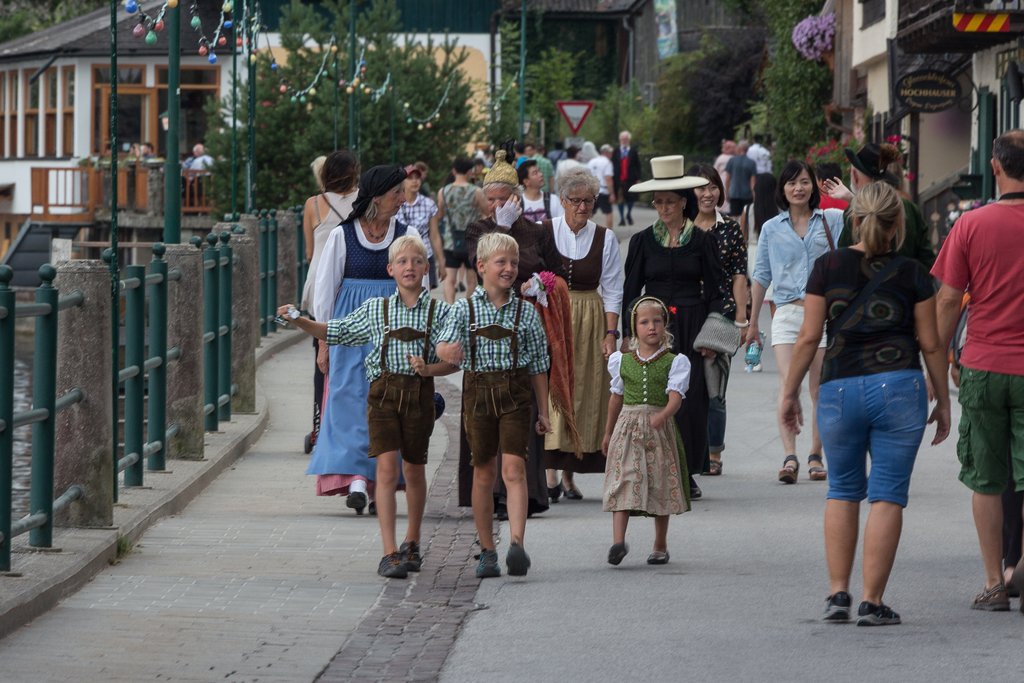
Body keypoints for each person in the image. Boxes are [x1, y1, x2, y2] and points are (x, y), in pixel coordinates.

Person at [781, 180, 950, 625]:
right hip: (899, 388)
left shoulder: (827, 266)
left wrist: (789, 393)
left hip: (839, 388)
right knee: (887, 495)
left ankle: (838, 594)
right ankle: (872, 602)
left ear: (854, 219)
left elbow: (808, 337)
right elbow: (931, 344)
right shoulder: (914, 273)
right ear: (897, 225)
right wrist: (944, 401)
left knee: (842, 490)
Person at [277, 235, 454, 579]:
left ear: (426, 269)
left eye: (417, 261)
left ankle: (412, 542)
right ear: (390, 269)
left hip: (419, 398)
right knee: (386, 472)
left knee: (414, 471)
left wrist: (433, 366)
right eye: (402, 262)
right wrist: (301, 321)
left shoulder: (440, 312)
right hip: (383, 399)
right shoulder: (377, 309)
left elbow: (453, 359)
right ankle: (389, 552)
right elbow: (336, 330)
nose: (409, 268)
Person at [932, 128, 1024, 612]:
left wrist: (936, 360)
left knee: (987, 478)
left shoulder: (971, 224)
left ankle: (995, 582)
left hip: (984, 364)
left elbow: (948, 299)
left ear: (995, 167)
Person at [436, 232, 552, 578]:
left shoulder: (527, 314)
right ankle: (487, 550)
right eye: (501, 262)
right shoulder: (464, 308)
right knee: (483, 471)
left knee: (514, 469)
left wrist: (544, 411)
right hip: (478, 394)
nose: (509, 268)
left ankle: (516, 543)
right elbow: (442, 343)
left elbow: (538, 366)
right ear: (481, 266)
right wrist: (446, 351)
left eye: (514, 263)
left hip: (516, 395)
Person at [464, 146, 567, 517]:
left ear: (516, 197)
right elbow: (480, 263)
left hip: (529, 326)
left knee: (520, 409)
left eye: (502, 199)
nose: (495, 205)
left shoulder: (537, 231)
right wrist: (502, 227)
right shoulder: (479, 229)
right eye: (490, 199)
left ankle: (526, 491)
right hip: (489, 327)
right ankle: (488, 493)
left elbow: (557, 273)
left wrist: (541, 282)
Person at [311, 165, 418, 514]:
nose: (403, 199)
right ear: (377, 197)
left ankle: (380, 486)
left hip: (394, 327)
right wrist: (324, 341)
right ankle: (358, 479)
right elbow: (326, 290)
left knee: (389, 403)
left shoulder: (406, 233)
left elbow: (420, 284)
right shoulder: (343, 236)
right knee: (349, 400)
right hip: (350, 329)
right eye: (396, 193)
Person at [622, 155, 726, 500]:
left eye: (670, 201)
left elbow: (716, 292)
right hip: (652, 326)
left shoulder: (701, 241)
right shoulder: (641, 242)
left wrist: (711, 336)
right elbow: (629, 291)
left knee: (689, 399)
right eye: (659, 201)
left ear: (685, 202)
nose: (664, 207)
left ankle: (686, 470)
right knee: (653, 397)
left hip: (692, 326)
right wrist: (628, 333)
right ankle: (654, 468)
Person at [747, 160, 844, 484]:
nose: (798, 188)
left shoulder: (832, 220)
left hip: (824, 314)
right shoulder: (772, 228)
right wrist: (750, 324)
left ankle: (816, 454)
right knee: (788, 386)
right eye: (792, 183)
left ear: (813, 186)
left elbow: (874, 217)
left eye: (804, 182)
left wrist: (849, 196)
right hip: (787, 313)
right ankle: (789, 455)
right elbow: (761, 275)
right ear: (783, 189)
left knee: (820, 390)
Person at [543, 166, 625, 501]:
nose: (582, 207)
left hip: (590, 317)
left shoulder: (605, 238)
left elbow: (614, 289)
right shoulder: (546, 231)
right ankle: (549, 473)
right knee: (553, 390)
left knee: (586, 390)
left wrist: (610, 333)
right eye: (575, 200)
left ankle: (569, 474)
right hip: (554, 317)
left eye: (588, 201)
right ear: (562, 201)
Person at [603, 296, 690, 566]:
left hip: (657, 430)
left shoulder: (675, 362)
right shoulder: (622, 361)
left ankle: (660, 545)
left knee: (659, 484)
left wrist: (663, 414)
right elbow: (616, 397)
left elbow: (675, 396)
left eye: (657, 321)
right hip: (627, 428)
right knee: (623, 481)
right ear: (634, 329)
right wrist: (607, 433)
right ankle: (618, 542)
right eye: (644, 322)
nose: (651, 327)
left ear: (665, 325)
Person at [689, 163, 748, 476]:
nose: (708, 193)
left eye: (713, 187)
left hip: (720, 314)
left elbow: (739, 274)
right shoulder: (682, 226)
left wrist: (740, 319)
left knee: (715, 390)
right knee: (683, 388)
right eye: (701, 187)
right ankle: (687, 450)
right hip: (684, 313)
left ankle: (714, 453)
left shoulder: (730, 228)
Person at [300, 150, 360, 452]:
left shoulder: (313, 204)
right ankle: (351, 426)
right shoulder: (364, 201)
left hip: (321, 287)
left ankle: (318, 426)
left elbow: (310, 253)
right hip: (353, 284)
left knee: (320, 361)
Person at [823, 143, 935, 269]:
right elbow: (927, 261)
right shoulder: (910, 208)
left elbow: (844, 263)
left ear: (854, 176)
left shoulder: (854, 212)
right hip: (907, 286)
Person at [437, 157, 485, 304]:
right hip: (472, 242)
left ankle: (450, 309)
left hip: (451, 241)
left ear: (454, 171)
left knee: (450, 280)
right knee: (472, 280)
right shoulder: (476, 191)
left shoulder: (443, 191)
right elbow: (486, 212)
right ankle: (467, 308)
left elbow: (440, 214)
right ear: (470, 171)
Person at [397, 164, 446, 290]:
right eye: (410, 178)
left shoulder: (429, 204)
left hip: (424, 255)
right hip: (400, 255)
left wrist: (441, 261)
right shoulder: (395, 203)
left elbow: (434, 235)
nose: (414, 181)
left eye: (417, 178)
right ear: (402, 182)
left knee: (423, 297)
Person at [612, 131, 642, 226]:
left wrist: (638, 178)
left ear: (629, 140)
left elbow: (638, 165)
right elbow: (612, 164)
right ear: (620, 140)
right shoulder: (616, 151)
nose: (624, 141)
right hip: (619, 179)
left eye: (626, 139)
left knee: (631, 198)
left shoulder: (633, 151)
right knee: (620, 199)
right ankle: (621, 218)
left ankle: (628, 214)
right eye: (622, 139)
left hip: (631, 179)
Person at [518, 158, 561, 224]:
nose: (541, 174)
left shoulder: (553, 200)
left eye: (539, 171)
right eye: (535, 173)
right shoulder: (518, 203)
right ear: (526, 182)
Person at [724, 140, 756, 219]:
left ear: (739, 148)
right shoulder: (752, 163)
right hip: (747, 195)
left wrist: (727, 192)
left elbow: (727, 179)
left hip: (734, 193)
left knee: (734, 217)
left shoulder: (732, 161)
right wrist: (755, 196)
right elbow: (753, 183)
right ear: (747, 150)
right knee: (746, 217)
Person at [587, 143, 616, 229]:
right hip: (603, 191)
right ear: (606, 153)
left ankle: (584, 231)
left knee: (589, 213)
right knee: (608, 212)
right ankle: (610, 232)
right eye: (610, 153)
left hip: (591, 191)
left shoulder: (591, 161)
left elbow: (587, 176)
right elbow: (608, 179)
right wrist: (612, 193)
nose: (611, 155)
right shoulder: (607, 162)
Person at [714, 140, 736, 216]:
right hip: (729, 181)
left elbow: (715, 170)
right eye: (734, 147)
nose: (735, 149)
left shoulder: (720, 158)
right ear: (729, 148)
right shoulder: (733, 158)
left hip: (722, 180)